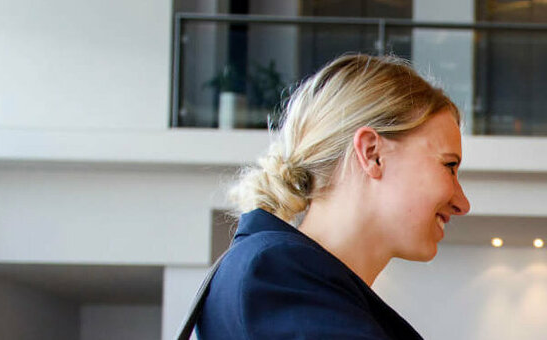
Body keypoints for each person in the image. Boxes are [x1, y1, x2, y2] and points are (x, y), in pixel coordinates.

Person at [181, 54, 471, 339]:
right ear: (373, 154)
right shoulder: (273, 272)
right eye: (449, 166)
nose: (462, 203)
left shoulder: (298, 280)